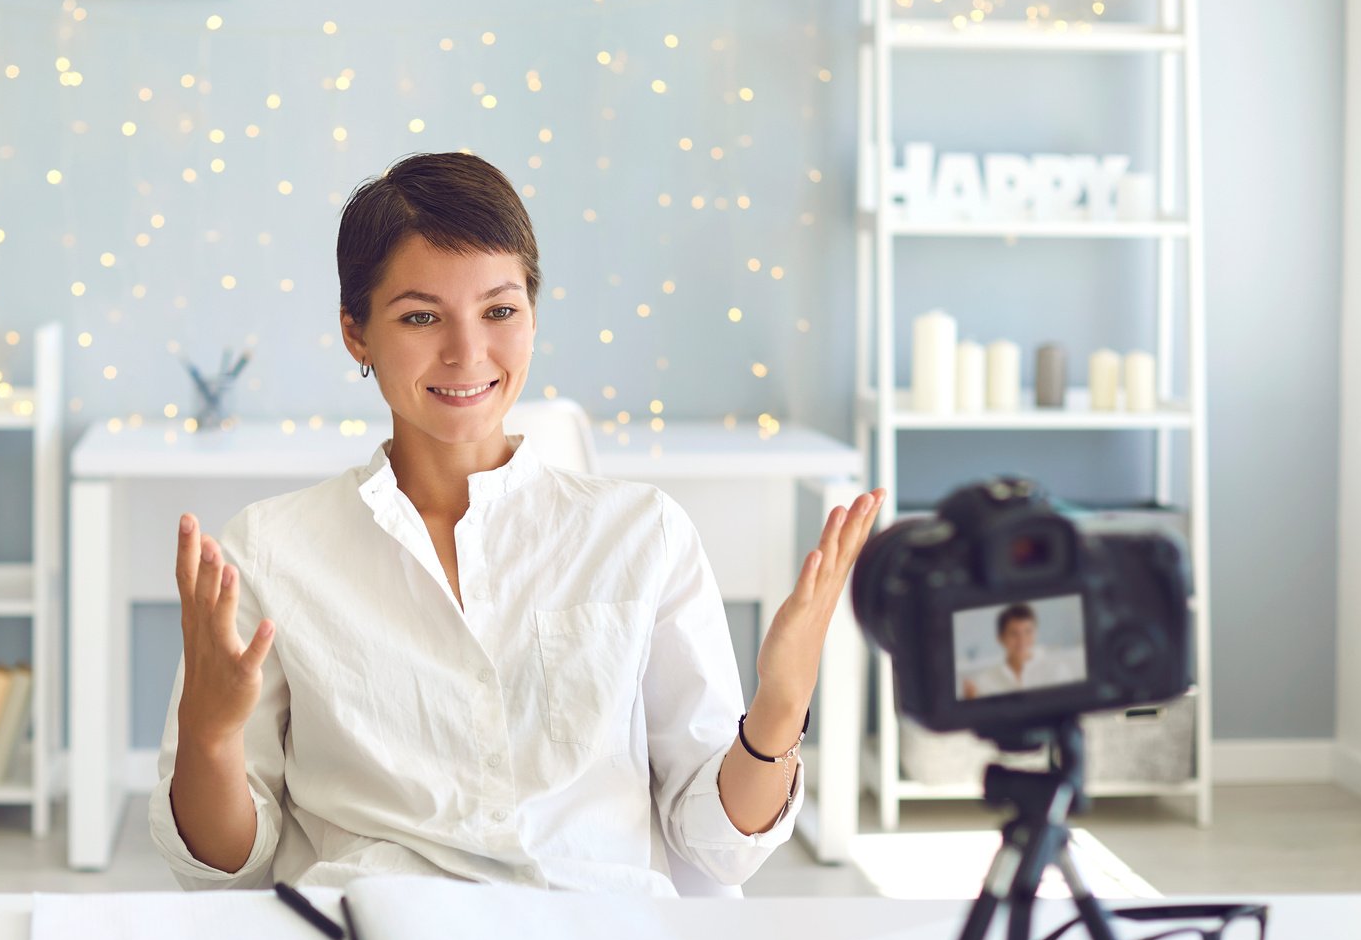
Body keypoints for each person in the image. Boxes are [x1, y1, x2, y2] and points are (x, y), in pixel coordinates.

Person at [150, 152, 883, 895]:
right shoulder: (271, 553)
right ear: (356, 333)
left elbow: (718, 849)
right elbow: (220, 872)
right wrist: (208, 739)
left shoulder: (641, 533)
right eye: (419, 317)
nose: (466, 353)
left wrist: (781, 706)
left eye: (499, 311)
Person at [962, 603, 1081, 698]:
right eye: (1014, 633)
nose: (1022, 640)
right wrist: (971, 704)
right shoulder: (984, 682)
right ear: (1000, 638)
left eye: (1028, 631)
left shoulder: (1057, 670)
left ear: (1036, 633)